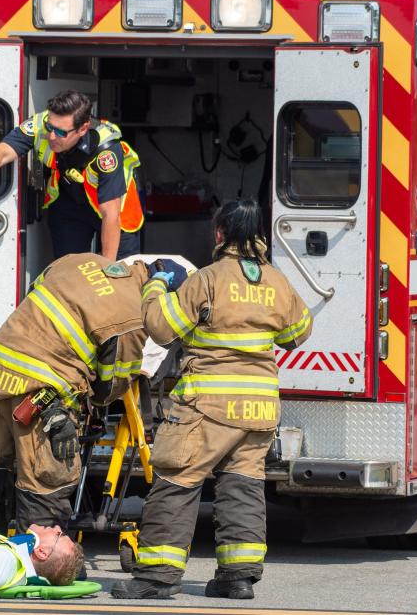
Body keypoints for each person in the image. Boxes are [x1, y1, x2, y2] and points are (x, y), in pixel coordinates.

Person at [111, 199, 313, 600]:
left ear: (220, 234)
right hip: (259, 411)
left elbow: (162, 328)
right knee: (243, 487)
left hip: (207, 406)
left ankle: (156, 577)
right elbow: (298, 332)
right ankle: (237, 578)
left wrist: (155, 285)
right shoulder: (276, 281)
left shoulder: (207, 279)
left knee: (176, 479)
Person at [0, 252, 186, 533]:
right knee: (45, 487)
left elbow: (33, 296)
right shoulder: (130, 318)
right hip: (40, 402)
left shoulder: (80, 260)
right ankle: (43, 571)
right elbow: (111, 386)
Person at [0, 90, 145, 261]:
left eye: (60, 132)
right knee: (69, 273)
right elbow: (2, 151)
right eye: (50, 127)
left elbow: (110, 214)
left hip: (115, 208)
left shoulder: (106, 151)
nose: (51, 136)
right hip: (71, 203)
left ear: (82, 129)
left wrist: (107, 269)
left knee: (119, 276)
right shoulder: (41, 124)